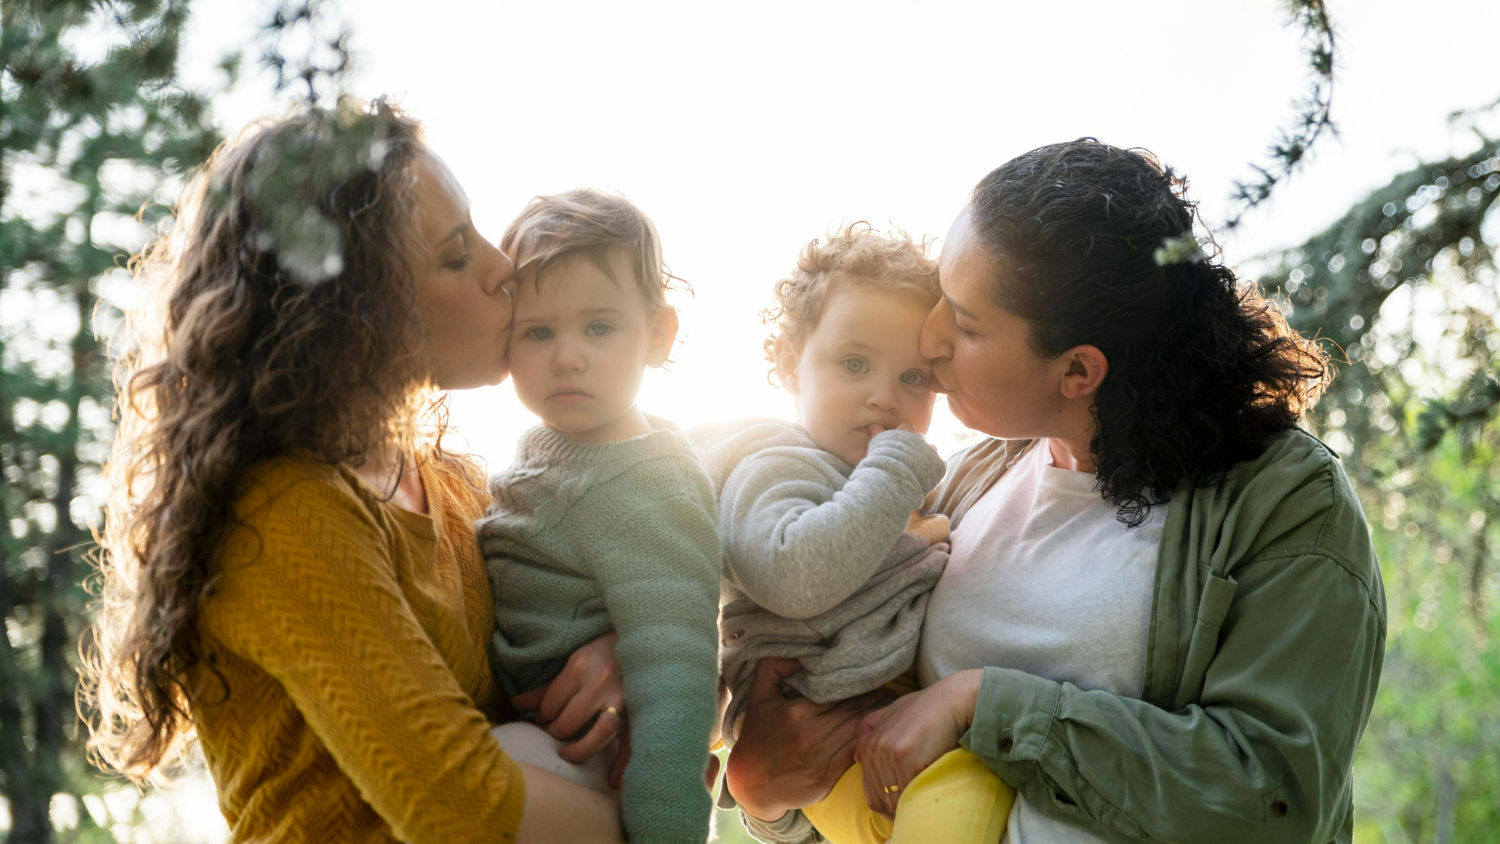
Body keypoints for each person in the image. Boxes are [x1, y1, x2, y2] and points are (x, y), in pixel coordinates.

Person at [724, 139, 1386, 844]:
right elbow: (861, 762)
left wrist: (986, 705)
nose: (931, 336)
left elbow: (1273, 798)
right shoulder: (965, 483)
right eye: (942, 296)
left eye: (967, 323)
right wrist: (770, 798)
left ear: (1077, 371)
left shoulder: (1285, 504)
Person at [87, 100, 629, 843]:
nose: (506, 269)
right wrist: (654, 819)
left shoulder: (455, 485)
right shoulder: (283, 513)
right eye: (454, 254)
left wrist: (619, 661)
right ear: (355, 312)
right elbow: (460, 802)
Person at [693, 224, 1012, 844]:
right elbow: (791, 574)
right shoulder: (776, 462)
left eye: (915, 378)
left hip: (870, 733)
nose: (884, 399)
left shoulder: (880, 487)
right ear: (789, 362)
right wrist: (896, 468)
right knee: (965, 794)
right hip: (834, 739)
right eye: (855, 364)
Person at [479, 189, 721, 844]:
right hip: (540, 738)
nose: (567, 356)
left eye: (598, 327)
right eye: (538, 331)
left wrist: (665, 832)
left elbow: (677, 682)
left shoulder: (649, 484)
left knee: (479, 780)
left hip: (597, 767)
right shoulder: (546, 450)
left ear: (658, 334)